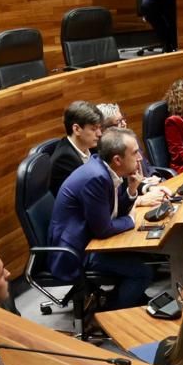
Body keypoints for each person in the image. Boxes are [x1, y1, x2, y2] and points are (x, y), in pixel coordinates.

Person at [49, 129, 169, 308]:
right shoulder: (96, 178)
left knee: (143, 257)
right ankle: (109, 313)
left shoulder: (105, 169)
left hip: (90, 240)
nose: (139, 158)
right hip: (77, 252)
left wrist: (132, 191)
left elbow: (112, 212)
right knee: (142, 272)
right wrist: (132, 218)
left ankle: (127, 299)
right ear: (117, 160)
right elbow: (103, 229)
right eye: (135, 153)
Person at [49, 100, 103, 194]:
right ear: (77, 129)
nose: (99, 134)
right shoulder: (64, 160)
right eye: (93, 129)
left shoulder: (92, 147)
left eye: (100, 128)